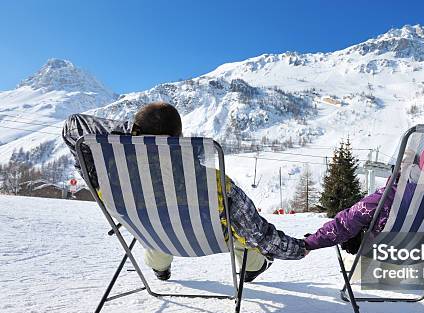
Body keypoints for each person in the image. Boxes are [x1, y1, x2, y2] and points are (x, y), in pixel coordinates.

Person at [63, 102, 307, 282]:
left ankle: (160, 267)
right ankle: (251, 268)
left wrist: (132, 134)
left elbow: (72, 125)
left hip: (151, 233)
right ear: (177, 140)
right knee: (241, 234)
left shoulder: (107, 171)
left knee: (153, 223)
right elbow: (260, 234)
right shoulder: (211, 181)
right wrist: (302, 247)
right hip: (206, 240)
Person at [303, 135, 424, 253]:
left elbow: (343, 224)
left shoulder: (392, 196)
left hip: (390, 253)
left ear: (423, 160)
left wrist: (309, 243)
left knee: (356, 227)